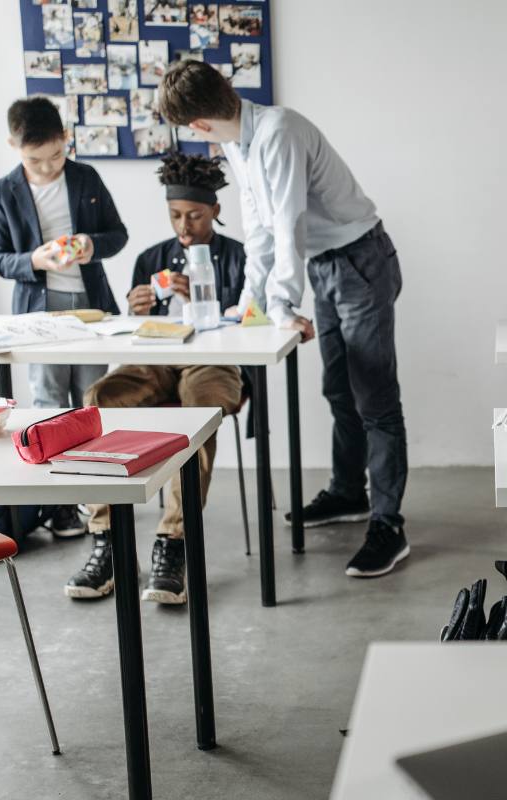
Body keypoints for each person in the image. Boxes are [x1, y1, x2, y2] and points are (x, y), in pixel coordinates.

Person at [156, 61, 410, 578]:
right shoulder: (238, 141)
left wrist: (280, 304)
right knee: (339, 389)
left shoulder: (279, 131)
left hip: (359, 260)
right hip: (325, 264)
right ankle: (348, 493)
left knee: (375, 398)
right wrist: (251, 302)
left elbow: (287, 220)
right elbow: (259, 230)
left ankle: (389, 525)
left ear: (197, 125)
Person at [65, 152, 245, 603]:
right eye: (175, 216)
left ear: (215, 211)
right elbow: (132, 333)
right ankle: (106, 539)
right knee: (100, 397)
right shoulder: (151, 257)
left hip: (215, 360)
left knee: (199, 415)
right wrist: (138, 308)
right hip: (157, 356)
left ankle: (174, 543)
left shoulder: (240, 257)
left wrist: (211, 299)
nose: (184, 226)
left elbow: (253, 319)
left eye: (195, 216)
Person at [0, 96, 128, 538]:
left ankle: (98, 501)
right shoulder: (3, 190)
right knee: (50, 406)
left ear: (66, 140)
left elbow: (118, 234)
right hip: (39, 312)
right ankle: (61, 505)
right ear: (14, 145)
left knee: (91, 401)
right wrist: (34, 259)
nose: (50, 166)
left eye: (57, 154)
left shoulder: (85, 176)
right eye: (38, 158)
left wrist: (91, 245)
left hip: (91, 309)